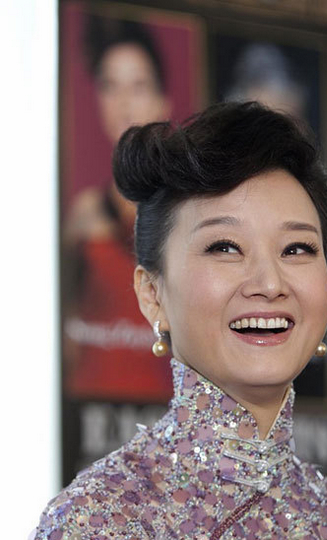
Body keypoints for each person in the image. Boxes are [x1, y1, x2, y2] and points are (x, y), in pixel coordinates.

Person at [34, 102, 327, 539]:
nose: (270, 283)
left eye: (297, 249)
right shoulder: (96, 521)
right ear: (152, 294)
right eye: (225, 247)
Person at [63, 14, 173, 401]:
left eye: (138, 86)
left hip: (162, 410)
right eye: (111, 86)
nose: (124, 103)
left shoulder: (185, 215)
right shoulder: (83, 214)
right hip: (88, 408)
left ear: (163, 101)